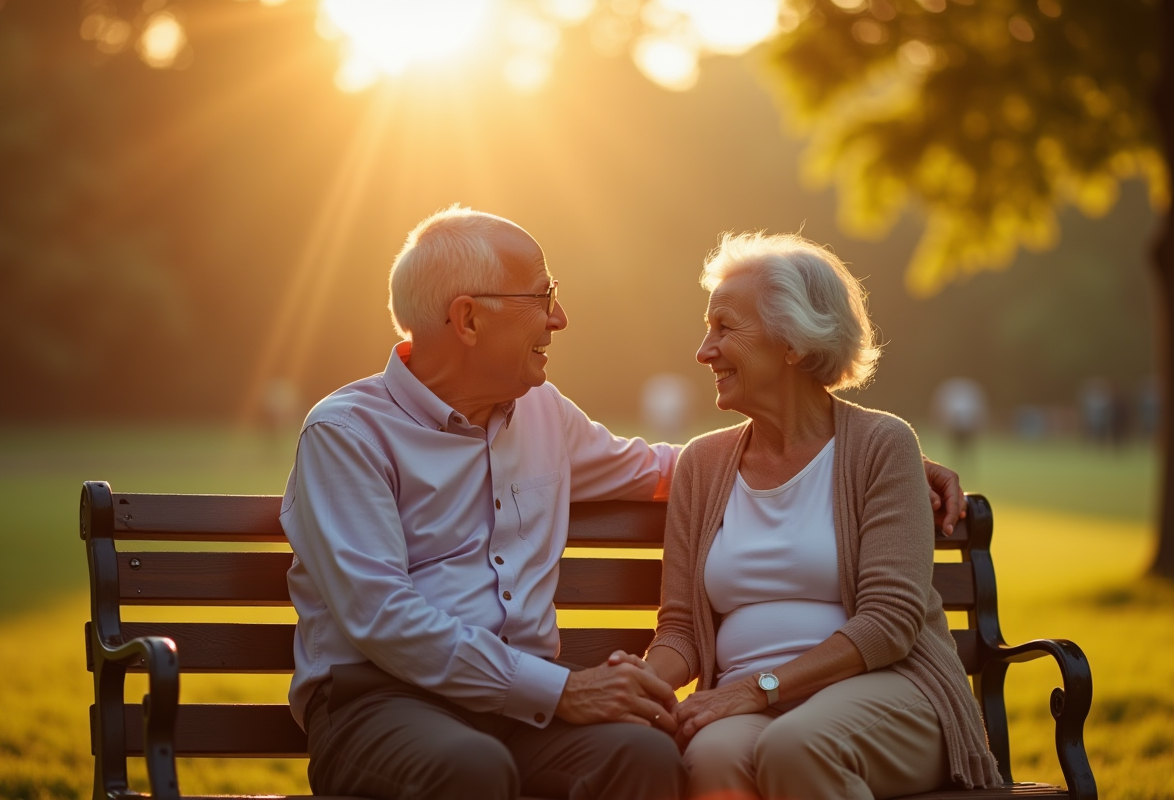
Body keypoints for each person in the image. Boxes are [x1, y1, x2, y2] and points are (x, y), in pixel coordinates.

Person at [281, 207, 968, 800]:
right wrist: (556, 691)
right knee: (473, 767)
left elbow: (682, 468)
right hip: (381, 700)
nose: (560, 316)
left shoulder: (542, 412)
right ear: (468, 318)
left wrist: (875, 458)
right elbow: (381, 616)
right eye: (541, 296)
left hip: (516, 710)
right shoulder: (347, 434)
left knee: (641, 754)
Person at [641, 231, 1003, 799]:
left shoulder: (881, 445)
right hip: (746, 699)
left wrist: (760, 688)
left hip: (888, 688)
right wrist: (635, 683)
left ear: (793, 344)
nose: (702, 350)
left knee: (797, 747)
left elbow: (890, 622)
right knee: (709, 759)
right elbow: (682, 630)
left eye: (724, 327)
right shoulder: (702, 464)